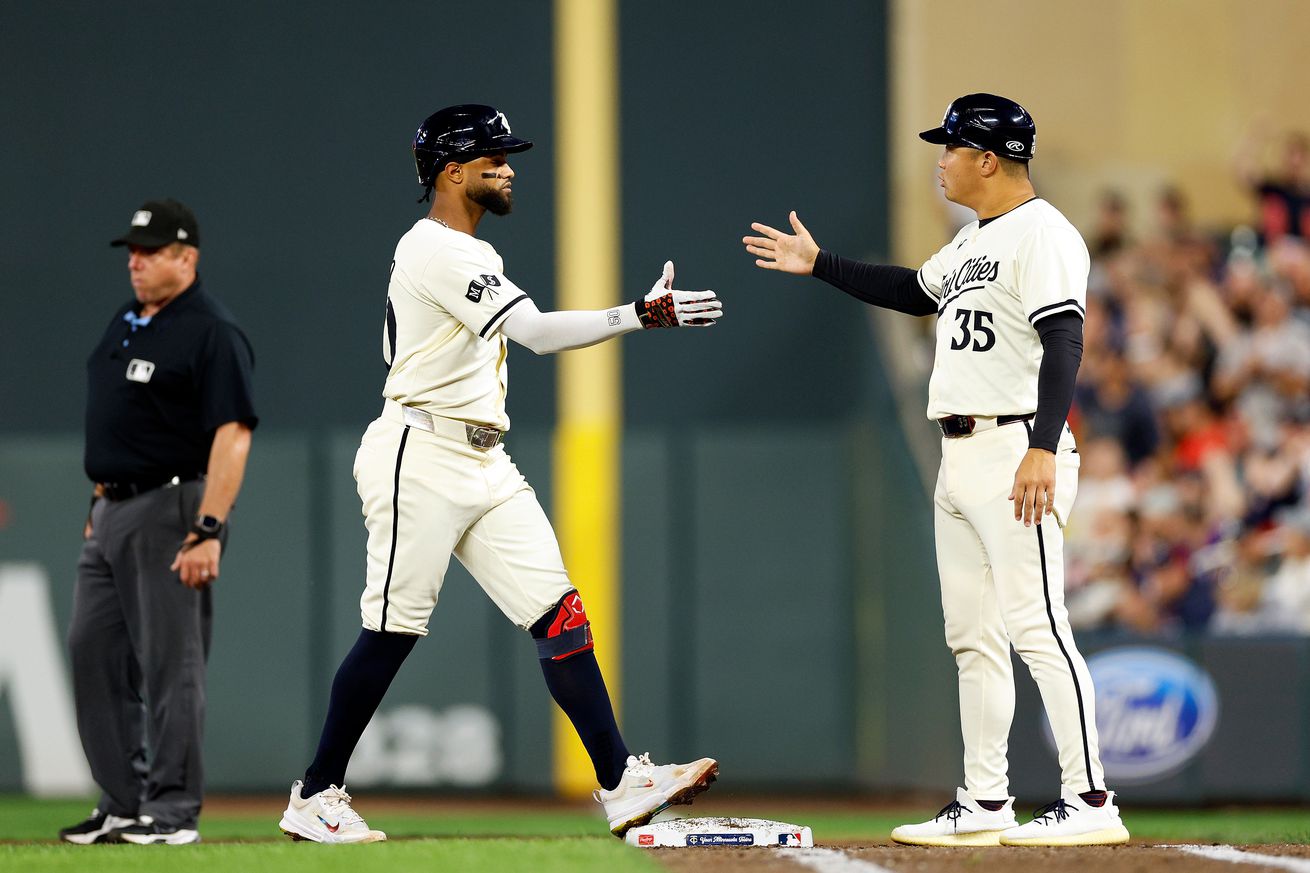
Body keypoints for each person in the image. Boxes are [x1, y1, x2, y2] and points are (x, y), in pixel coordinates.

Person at [277, 104, 721, 844]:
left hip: (484, 455)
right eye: (493, 157)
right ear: (452, 171)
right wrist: (642, 314)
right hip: (418, 453)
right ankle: (315, 792)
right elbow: (538, 334)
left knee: (558, 611)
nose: (509, 167)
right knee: (392, 627)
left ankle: (619, 780)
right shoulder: (437, 249)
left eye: (507, 156)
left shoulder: (469, 252)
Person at [743, 94, 1129, 847]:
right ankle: (985, 801)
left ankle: (1090, 799)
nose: (939, 160)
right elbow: (911, 291)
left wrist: (1043, 446)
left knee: (1038, 627)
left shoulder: (1043, 232)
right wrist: (820, 263)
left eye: (950, 147)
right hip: (960, 453)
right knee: (973, 637)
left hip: (1016, 447)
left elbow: (1065, 343)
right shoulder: (972, 242)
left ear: (988, 158)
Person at [60, 199, 257, 845]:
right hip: (111, 510)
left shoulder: (211, 330)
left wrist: (208, 527)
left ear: (187, 257)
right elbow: (116, 414)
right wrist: (98, 499)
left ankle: (172, 811)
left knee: (173, 666)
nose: (136, 262)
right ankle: (122, 801)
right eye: (132, 251)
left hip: (171, 507)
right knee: (93, 655)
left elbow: (233, 432)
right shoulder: (128, 319)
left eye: (151, 251)